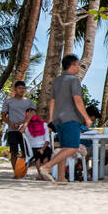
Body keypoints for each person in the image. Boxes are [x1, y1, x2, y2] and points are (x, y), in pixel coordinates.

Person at [42, 54, 89, 183]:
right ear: (73, 65)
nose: (78, 68)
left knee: (64, 148)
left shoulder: (57, 81)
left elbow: (52, 101)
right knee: (72, 148)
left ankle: (61, 177)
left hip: (58, 120)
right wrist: (86, 117)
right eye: (78, 65)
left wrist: (51, 118)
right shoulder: (74, 80)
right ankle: (47, 166)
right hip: (71, 118)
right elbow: (78, 100)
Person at [1, 80, 33, 167]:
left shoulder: (29, 102)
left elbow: (33, 115)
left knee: (25, 151)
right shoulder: (8, 101)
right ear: (15, 89)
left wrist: (23, 123)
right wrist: (10, 123)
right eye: (19, 88)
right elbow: (3, 116)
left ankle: (23, 170)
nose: (22, 90)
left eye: (23, 88)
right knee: (14, 152)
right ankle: (15, 171)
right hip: (12, 130)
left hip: (25, 131)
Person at [22, 107, 53, 180]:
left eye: (33, 113)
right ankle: (41, 174)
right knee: (37, 155)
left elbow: (47, 139)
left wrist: (43, 148)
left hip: (44, 146)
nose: (32, 115)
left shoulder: (43, 124)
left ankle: (44, 174)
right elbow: (21, 131)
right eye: (30, 113)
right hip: (32, 147)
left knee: (46, 154)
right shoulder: (25, 125)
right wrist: (28, 119)